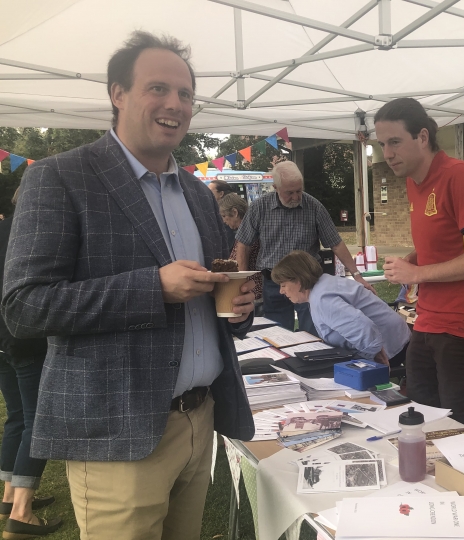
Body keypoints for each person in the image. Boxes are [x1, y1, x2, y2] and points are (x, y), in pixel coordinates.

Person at [1, 31, 256, 540]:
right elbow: (24, 307)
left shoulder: (197, 193)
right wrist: (151, 288)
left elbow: (209, 294)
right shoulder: (60, 177)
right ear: (118, 94)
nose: (175, 104)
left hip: (198, 419)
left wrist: (240, 304)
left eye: (185, 94)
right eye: (157, 88)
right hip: (116, 428)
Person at [376, 98, 464, 429]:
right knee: (419, 419)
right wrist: (411, 260)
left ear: (422, 137)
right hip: (427, 320)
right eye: (382, 144)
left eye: (394, 142)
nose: (387, 153)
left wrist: (417, 273)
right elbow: (442, 243)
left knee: (458, 427)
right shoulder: (414, 183)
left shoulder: (457, 176)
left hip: (463, 325)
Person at [234, 160, 374, 333]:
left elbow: (335, 243)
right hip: (274, 283)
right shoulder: (259, 207)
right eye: (289, 193)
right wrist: (241, 280)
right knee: (276, 334)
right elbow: (243, 244)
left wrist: (357, 274)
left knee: (313, 331)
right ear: (276, 187)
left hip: (307, 283)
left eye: (299, 191)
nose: (295, 197)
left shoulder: (314, 206)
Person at [0, 186, 60, 538]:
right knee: (37, 422)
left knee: (18, 417)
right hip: (24, 339)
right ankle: (21, 512)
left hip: (3, 341)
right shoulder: (35, 236)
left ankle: (9, 497)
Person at [271, 250, 410, 367]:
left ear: (298, 280)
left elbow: (364, 330)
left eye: (283, 285)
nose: (281, 291)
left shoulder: (322, 299)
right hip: (394, 338)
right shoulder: (323, 285)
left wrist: (368, 361)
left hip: (391, 347)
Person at [219, 193, 263, 300]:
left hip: (249, 289)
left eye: (224, 216)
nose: (224, 221)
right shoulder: (248, 230)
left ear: (235, 212)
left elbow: (242, 262)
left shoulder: (247, 233)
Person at [209, 180, 237, 250]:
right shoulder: (213, 208)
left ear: (221, 193)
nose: (206, 193)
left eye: (210, 191)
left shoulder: (228, 209)